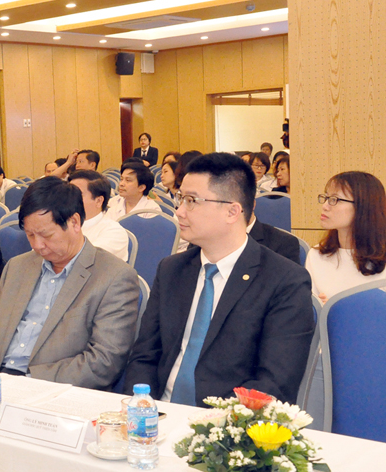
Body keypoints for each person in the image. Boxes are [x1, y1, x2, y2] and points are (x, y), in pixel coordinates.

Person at [123, 153, 315, 405]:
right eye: (181, 198)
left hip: (225, 420)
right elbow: (144, 356)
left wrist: (209, 424)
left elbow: (274, 382)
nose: (179, 211)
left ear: (232, 212)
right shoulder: (172, 270)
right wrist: (142, 407)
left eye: (192, 201)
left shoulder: (284, 280)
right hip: (157, 413)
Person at [0, 177, 140, 389]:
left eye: (46, 235)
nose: (37, 245)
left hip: (50, 386)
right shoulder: (17, 267)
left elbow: (104, 361)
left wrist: (26, 382)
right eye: (30, 235)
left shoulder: (114, 277)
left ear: (74, 222)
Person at [306, 172, 386, 303]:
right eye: (326, 197)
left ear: (363, 207)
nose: (325, 206)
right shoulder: (316, 255)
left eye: (335, 199)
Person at [68, 170, 128, 262]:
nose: (69, 199)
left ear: (99, 201)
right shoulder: (62, 225)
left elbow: (85, 260)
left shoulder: (114, 232)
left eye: (77, 194)